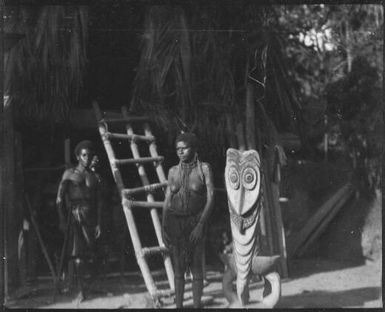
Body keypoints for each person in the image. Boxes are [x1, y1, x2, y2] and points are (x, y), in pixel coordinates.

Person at [162, 132, 214, 308]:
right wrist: (163, 226)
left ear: (194, 148)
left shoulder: (204, 169)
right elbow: (167, 201)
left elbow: (211, 199)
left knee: (196, 268)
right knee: (178, 269)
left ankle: (197, 306)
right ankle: (179, 308)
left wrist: (200, 225)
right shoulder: (172, 172)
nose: (180, 151)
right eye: (178, 149)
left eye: (184, 148)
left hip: (195, 222)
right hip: (175, 223)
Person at [56, 140, 102, 302]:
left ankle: (90, 286)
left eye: (89, 155)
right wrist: (62, 219)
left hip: (90, 217)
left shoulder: (93, 176)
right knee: (78, 254)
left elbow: (98, 201)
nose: (87, 158)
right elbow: (60, 199)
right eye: (84, 155)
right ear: (77, 156)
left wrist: (99, 223)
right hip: (74, 215)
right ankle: (82, 291)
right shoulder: (69, 173)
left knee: (92, 252)